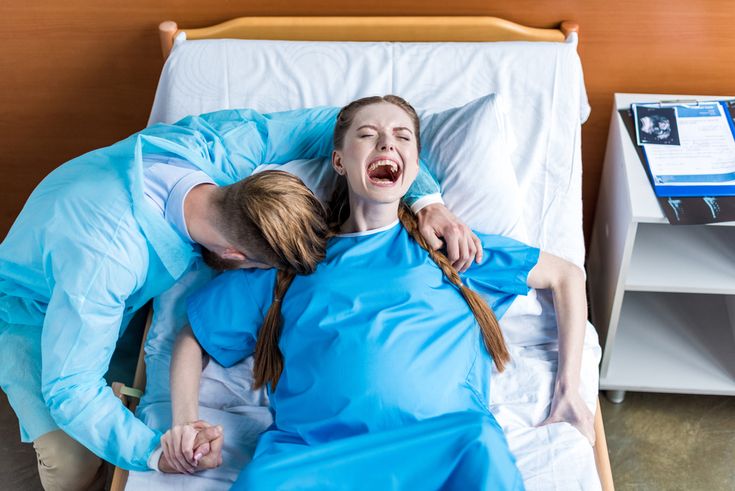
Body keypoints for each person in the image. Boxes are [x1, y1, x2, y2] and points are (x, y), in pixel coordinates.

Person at [0, 105, 480, 489]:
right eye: (261, 269)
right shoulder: (105, 261)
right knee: (74, 467)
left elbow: (342, 125)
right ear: (233, 255)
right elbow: (70, 388)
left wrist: (426, 200)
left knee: (117, 394)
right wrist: (154, 452)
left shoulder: (218, 146)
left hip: (112, 294)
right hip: (32, 311)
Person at [164, 95, 595, 489]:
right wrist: (186, 422)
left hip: (449, 446)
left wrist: (568, 389)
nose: (387, 145)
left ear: (414, 163)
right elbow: (193, 335)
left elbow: (566, 276)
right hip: (310, 459)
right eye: (368, 135)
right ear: (338, 160)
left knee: (482, 450)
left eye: (401, 137)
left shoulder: (452, 252)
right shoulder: (291, 264)